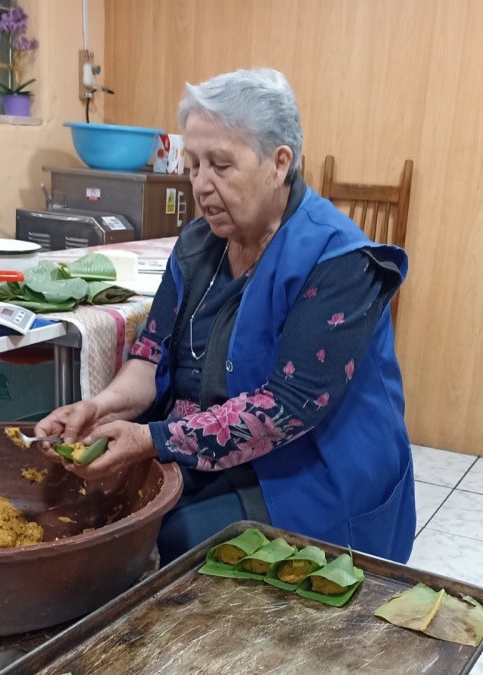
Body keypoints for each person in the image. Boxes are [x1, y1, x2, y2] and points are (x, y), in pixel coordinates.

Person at [35, 68, 415, 563]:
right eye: (193, 165)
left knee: (183, 533)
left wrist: (151, 438)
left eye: (221, 165)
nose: (201, 185)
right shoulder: (197, 245)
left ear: (279, 163)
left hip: (311, 468)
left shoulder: (337, 260)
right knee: (100, 505)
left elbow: (285, 409)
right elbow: (151, 358)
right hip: (210, 448)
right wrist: (102, 408)